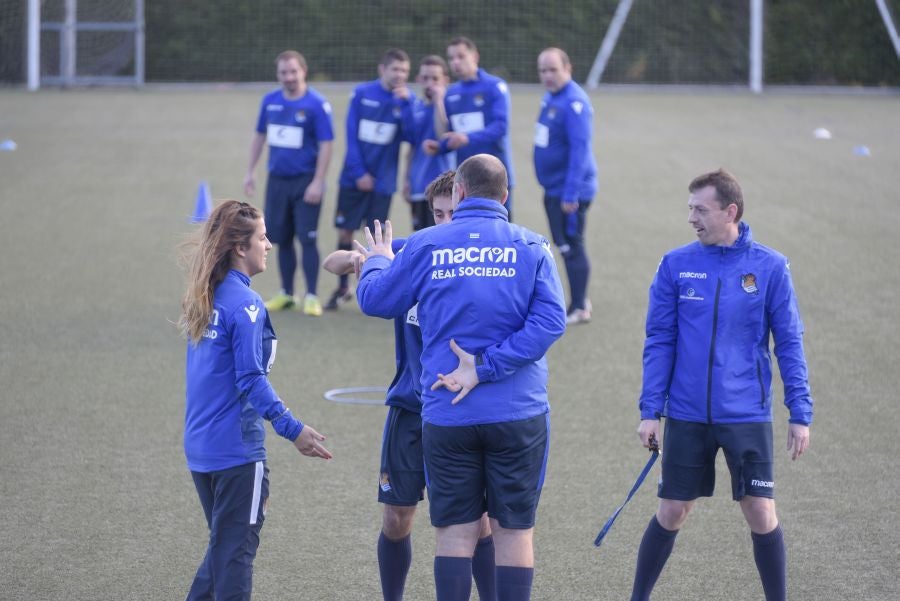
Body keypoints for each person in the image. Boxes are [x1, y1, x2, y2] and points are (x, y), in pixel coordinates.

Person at [355, 155, 567, 601]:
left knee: (455, 534)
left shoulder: (428, 243)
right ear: (505, 197)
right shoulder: (532, 246)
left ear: (460, 194)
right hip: (519, 414)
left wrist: (375, 260)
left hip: (447, 414)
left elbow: (375, 300)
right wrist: (487, 366)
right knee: (513, 533)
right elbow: (551, 323)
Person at [631, 169, 814, 601]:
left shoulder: (769, 267)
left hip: (745, 414)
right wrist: (649, 410)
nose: (691, 218)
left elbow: (788, 343)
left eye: (701, 209)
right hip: (687, 414)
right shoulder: (676, 264)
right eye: (689, 208)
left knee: (759, 511)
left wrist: (800, 413)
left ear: (730, 211)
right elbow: (660, 340)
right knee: (673, 510)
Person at [323, 171, 496, 601]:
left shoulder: (483, 258)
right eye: (438, 214)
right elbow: (333, 261)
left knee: (479, 523)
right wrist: (359, 260)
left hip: (463, 407)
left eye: (452, 213)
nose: (445, 221)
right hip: (410, 407)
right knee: (397, 518)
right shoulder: (417, 250)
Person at [178, 200, 332, 600]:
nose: (270, 244)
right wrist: (293, 428)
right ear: (240, 248)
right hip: (236, 453)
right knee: (234, 555)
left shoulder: (206, 293)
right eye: (262, 238)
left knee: (223, 549)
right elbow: (250, 379)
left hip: (202, 449)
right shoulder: (245, 304)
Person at [244, 50, 335, 316]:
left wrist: (318, 181)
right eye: (284, 72)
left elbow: (326, 144)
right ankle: (286, 293)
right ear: (278, 75)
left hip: (306, 182)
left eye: (293, 71)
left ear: (303, 71)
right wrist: (250, 171)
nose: (289, 77)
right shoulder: (270, 101)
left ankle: (311, 296)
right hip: (277, 183)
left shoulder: (317, 104)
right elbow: (260, 136)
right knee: (280, 240)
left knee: (307, 239)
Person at [326, 48, 414, 311]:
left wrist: (407, 105)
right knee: (345, 231)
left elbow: (412, 137)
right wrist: (359, 173)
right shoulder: (362, 94)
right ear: (382, 70)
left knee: (375, 239)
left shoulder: (406, 100)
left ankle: (371, 288)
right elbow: (351, 137)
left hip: (383, 184)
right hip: (353, 179)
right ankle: (343, 288)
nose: (400, 75)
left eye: (405, 71)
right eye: (395, 69)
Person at [533, 47, 598, 326]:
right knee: (564, 246)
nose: (547, 75)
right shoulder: (551, 97)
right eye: (543, 70)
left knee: (571, 246)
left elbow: (580, 152)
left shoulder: (574, 103)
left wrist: (570, 194)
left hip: (568, 194)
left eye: (553, 70)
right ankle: (580, 297)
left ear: (567, 69)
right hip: (554, 189)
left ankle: (579, 306)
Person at [435, 37, 515, 221]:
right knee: (466, 230)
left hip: (496, 176)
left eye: (461, 56)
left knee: (499, 232)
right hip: (465, 179)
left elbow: (500, 127)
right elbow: (451, 134)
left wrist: (467, 139)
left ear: (475, 56)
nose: (455, 62)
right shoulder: (451, 93)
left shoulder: (494, 86)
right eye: (451, 58)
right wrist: (440, 146)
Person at [404, 55, 453, 231]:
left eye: (435, 78)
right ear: (418, 79)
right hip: (419, 185)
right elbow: (412, 147)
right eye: (425, 78)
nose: (430, 83)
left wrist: (439, 102)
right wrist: (406, 180)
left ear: (445, 81)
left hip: (445, 189)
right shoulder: (416, 107)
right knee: (420, 238)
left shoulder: (449, 106)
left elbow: (443, 135)